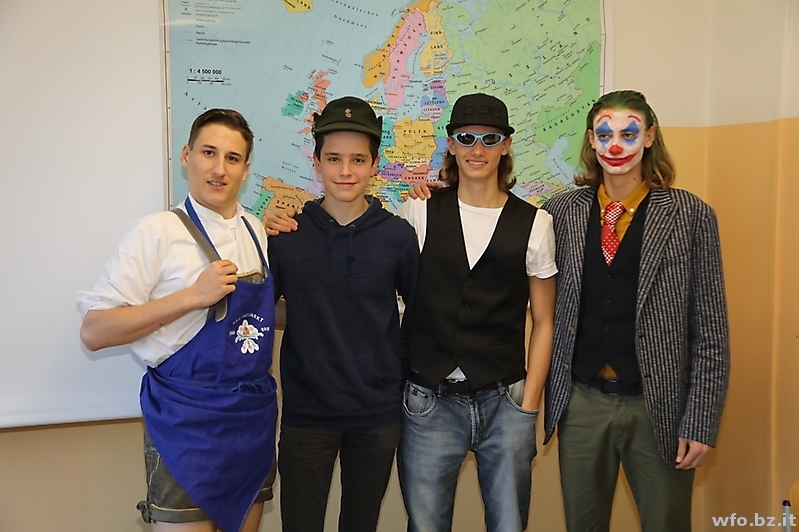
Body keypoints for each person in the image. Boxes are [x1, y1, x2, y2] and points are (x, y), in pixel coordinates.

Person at [78, 109, 277, 532]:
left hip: (250, 422)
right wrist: (192, 297)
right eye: (208, 152)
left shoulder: (255, 230)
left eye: (232, 158)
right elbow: (94, 331)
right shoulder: (155, 232)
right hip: (184, 424)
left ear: (245, 169)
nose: (219, 169)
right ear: (186, 155)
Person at [541, 90, 730, 531]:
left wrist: (701, 421)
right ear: (591, 140)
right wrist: (440, 194)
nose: (616, 146)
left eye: (628, 134)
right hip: (582, 403)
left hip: (659, 405)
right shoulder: (559, 213)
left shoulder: (691, 215)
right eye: (605, 135)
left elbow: (711, 331)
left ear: (649, 137)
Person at [266, 96, 419, 532]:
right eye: (333, 159)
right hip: (307, 413)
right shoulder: (287, 235)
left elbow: (416, 316)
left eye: (358, 159)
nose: (345, 171)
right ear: (316, 162)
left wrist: (394, 380)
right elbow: (264, 312)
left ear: (374, 165)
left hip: (376, 414)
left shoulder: (398, 236)